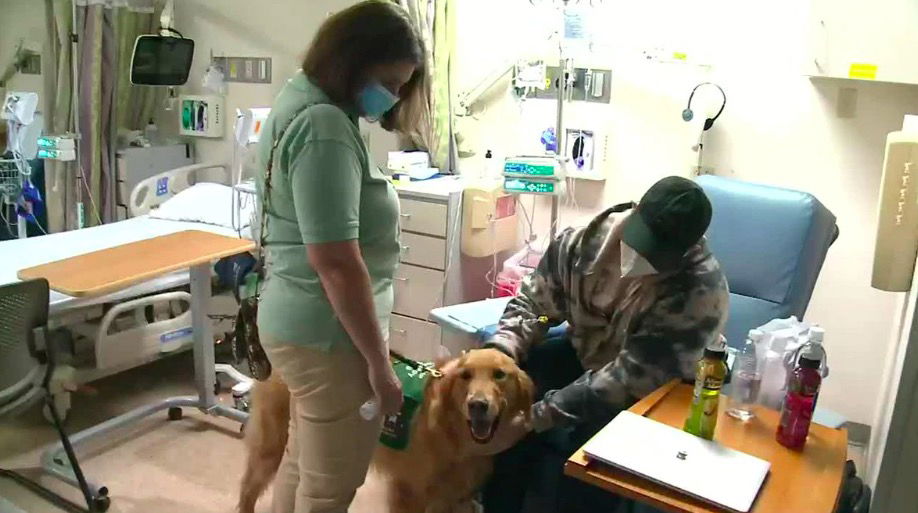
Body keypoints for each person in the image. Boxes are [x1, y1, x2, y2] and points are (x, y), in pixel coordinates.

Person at [254, 2, 427, 512]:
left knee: (303, 463)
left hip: (301, 321)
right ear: (352, 61)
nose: (392, 97)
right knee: (330, 487)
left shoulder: (297, 99)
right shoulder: (325, 126)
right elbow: (336, 262)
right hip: (329, 336)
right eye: (388, 82)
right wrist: (380, 366)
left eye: (401, 87)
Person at [481, 176, 730, 513]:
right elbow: (537, 310)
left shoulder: (698, 292)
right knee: (512, 388)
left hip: (653, 392)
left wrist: (533, 419)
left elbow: (626, 381)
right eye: (643, 240)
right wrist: (500, 353)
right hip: (589, 355)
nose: (642, 256)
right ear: (635, 213)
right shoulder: (583, 242)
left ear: (689, 247)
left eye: (659, 252)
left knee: (593, 443)